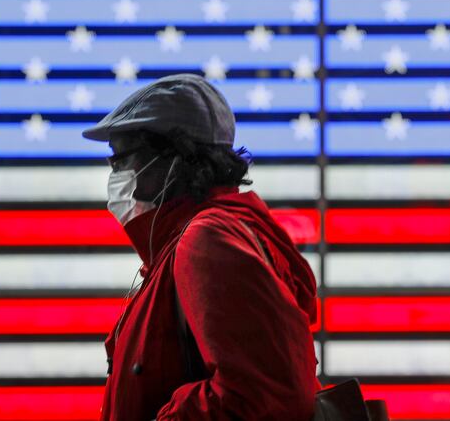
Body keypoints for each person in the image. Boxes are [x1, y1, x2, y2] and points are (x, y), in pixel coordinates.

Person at [82, 73, 321, 420]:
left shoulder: (207, 241)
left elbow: (263, 392)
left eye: (122, 160)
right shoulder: (188, 241)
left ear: (175, 161)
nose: (116, 176)